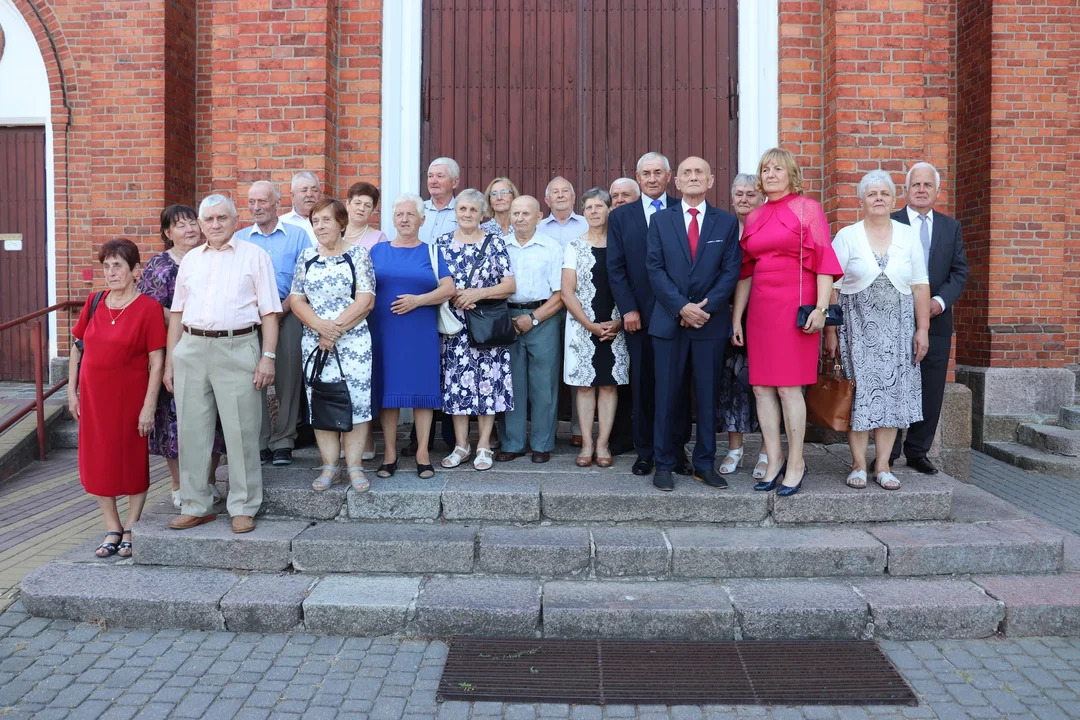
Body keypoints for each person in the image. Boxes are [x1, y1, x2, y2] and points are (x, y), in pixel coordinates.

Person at [164, 194, 281, 534]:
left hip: (238, 345)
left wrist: (267, 357)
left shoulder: (255, 256)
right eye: (209, 220)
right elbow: (176, 314)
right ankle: (195, 504)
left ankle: (244, 505)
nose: (215, 225)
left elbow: (270, 313)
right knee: (192, 431)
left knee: (242, 430)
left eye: (222, 218)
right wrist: (172, 360)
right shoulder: (191, 261)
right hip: (192, 347)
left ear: (234, 220)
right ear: (200, 225)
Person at [732, 148, 843, 497]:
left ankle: (797, 462)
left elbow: (825, 262)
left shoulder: (807, 209)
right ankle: (775, 459)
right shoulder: (755, 217)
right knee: (761, 387)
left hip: (796, 308)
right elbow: (746, 271)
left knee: (788, 388)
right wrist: (737, 316)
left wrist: (821, 310)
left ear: (791, 173)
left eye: (778, 169)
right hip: (762, 311)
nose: (771, 174)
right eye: (765, 169)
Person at [825, 170, 931, 490]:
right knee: (859, 395)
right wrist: (830, 331)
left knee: (892, 396)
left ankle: (883, 465)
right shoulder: (847, 235)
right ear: (861, 201)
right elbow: (832, 285)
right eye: (871, 194)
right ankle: (858, 464)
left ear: (894, 199)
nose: (878, 198)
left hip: (899, 330)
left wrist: (922, 328)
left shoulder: (908, 235)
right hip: (856, 328)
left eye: (884, 193)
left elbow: (920, 285)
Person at [647, 157, 742, 491]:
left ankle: (704, 464)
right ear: (677, 181)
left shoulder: (726, 223)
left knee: (706, 397)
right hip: (670, 323)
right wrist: (681, 307)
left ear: (711, 180)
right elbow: (654, 269)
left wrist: (706, 308)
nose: (692, 177)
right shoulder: (659, 221)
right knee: (667, 397)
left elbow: (731, 271)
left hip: (709, 324)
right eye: (686, 172)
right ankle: (664, 464)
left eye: (699, 171)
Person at [69, 239, 167, 558]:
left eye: (118, 266)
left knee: (131, 461)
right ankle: (111, 525)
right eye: (106, 266)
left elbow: (156, 361)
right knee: (98, 461)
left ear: (135, 271)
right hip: (94, 399)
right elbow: (77, 347)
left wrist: (149, 405)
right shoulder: (95, 301)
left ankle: (131, 525)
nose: (111, 273)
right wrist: (72, 391)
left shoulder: (148, 309)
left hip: (130, 399)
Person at [607, 152, 692, 477]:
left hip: (678, 313)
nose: (653, 178)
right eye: (647, 173)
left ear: (670, 176)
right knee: (644, 384)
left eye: (659, 172)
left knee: (679, 385)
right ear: (638, 177)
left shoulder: (682, 211)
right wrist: (628, 308)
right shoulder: (622, 217)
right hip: (638, 316)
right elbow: (616, 268)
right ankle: (645, 451)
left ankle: (676, 448)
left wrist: (686, 307)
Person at [138, 205, 226, 509]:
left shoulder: (210, 256)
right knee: (174, 420)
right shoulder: (160, 265)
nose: (189, 229)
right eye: (180, 225)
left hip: (212, 346)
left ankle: (209, 480)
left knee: (212, 419)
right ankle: (178, 484)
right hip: (173, 349)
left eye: (192, 223)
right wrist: (183, 318)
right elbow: (148, 307)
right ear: (167, 233)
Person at [290, 199, 377, 492]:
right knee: (322, 402)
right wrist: (320, 328)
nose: (320, 226)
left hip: (353, 342)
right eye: (315, 221)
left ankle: (354, 466)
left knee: (356, 402)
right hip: (315, 343)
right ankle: (329, 466)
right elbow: (296, 299)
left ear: (341, 223)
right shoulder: (306, 257)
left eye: (326, 220)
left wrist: (334, 330)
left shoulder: (359, 255)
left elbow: (366, 300)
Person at [368, 193, 457, 479]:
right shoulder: (377, 251)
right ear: (393, 220)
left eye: (410, 214)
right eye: (399, 215)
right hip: (384, 331)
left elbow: (448, 289)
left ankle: (422, 453)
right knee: (389, 393)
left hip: (419, 332)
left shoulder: (431, 252)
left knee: (422, 393)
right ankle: (390, 453)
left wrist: (418, 300)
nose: (404, 219)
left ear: (422, 219)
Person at [889, 162, 969, 474]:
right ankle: (888, 452)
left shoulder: (951, 228)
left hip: (937, 321)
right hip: (896, 319)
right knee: (895, 385)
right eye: (916, 185)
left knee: (931, 388)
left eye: (928, 186)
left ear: (936, 192)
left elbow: (959, 272)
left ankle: (917, 452)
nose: (921, 190)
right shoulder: (890, 223)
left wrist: (938, 302)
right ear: (906, 190)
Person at [437, 189, 516, 471]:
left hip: (485, 324)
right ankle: (462, 445)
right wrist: (454, 295)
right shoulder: (441, 243)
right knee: (457, 386)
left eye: (473, 210)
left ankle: (483, 444)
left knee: (488, 385)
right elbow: (434, 282)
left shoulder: (494, 243)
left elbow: (509, 285)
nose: (467, 214)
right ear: (455, 212)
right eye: (462, 209)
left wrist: (475, 293)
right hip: (455, 328)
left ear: (482, 214)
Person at [234, 180, 310, 467]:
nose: (256, 207)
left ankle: (284, 440)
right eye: (252, 202)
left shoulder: (298, 235)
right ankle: (261, 438)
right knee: (254, 377)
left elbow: (303, 278)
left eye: (262, 201)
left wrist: (282, 309)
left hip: (288, 313)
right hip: (251, 318)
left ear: (277, 203)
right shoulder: (240, 238)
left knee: (288, 376)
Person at [563, 188, 630, 468]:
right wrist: (589, 325)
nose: (593, 212)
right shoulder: (574, 246)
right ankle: (587, 443)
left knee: (609, 386)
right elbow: (567, 292)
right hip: (583, 325)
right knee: (586, 386)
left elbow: (631, 285)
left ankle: (603, 443)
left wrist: (619, 321)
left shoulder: (621, 246)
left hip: (616, 325)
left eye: (598, 207)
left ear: (608, 210)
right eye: (588, 207)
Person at [497, 195, 564, 464]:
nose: (520, 218)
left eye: (527, 213)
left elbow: (561, 294)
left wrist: (533, 319)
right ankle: (512, 443)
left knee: (543, 384)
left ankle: (542, 443)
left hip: (544, 317)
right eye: (516, 213)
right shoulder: (500, 247)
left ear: (539, 217)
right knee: (511, 383)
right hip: (507, 318)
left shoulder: (551, 247)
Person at [718, 174, 767, 478]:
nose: (745, 199)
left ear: (761, 199)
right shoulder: (723, 229)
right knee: (731, 382)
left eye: (751, 194)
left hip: (764, 314)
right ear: (732, 197)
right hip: (728, 314)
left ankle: (766, 451)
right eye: (740, 194)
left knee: (765, 385)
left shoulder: (767, 229)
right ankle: (734, 449)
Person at [419, 157, 461, 244]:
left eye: (440, 176)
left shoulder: (463, 212)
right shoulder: (417, 209)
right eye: (430, 176)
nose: (433, 181)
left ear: (455, 182)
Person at [539, 176, 588, 247]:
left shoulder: (587, 225)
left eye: (565, 191)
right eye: (555, 192)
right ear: (547, 201)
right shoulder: (538, 228)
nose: (560, 195)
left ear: (573, 198)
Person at [344, 181, 389, 249]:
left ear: (372, 211)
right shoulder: (332, 233)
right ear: (348, 205)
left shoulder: (378, 238)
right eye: (357, 203)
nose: (362, 208)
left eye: (367, 205)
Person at [281, 171, 321, 245]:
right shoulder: (281, 224)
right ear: (293, 196)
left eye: (314, 190)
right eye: (304, 190)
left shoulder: (330, 222)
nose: (309, 194)